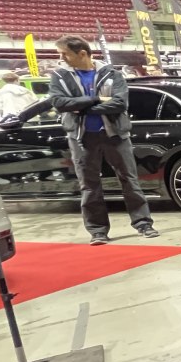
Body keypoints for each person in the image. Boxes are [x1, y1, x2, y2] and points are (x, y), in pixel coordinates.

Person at [47, 35, 159, 245]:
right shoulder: (59, 76)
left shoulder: (111, 74)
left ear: (82, 53)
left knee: (130, 181)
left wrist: (80, 108)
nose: (61, 59)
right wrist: (95, 100)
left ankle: (144, 224)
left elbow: (119, 104)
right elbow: (59, 103)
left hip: (115, 135)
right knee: (89, 186)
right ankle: (98, 231)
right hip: (81, 138)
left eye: (65, 54)